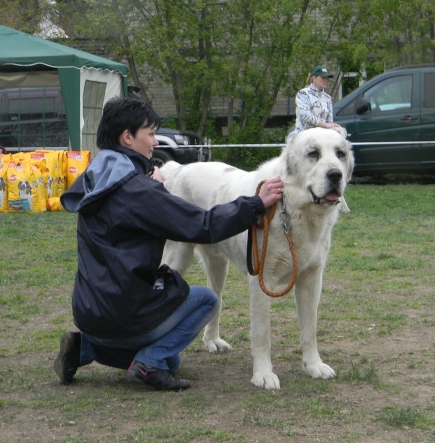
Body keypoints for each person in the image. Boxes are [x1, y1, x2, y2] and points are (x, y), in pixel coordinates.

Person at [54, 97, 284, 391]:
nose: (154, 141)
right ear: (128, 136)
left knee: (172, 361)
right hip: (122, 313)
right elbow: (202, 225)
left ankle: (84, 347)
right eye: (149, 133)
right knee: (205, 300)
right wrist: (254, 204)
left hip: (88, 311)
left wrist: (149, 184)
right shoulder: (140, 191)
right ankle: (147, 361)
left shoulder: (95, 177)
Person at [288, 65, 342, 141]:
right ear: (314, 78)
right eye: (323, 78)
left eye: (327, 78)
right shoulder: (303, 94)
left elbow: (330, 120)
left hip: (322, 136)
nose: (326, 80)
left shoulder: (328, 98)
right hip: (304, 136)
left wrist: (333, 127)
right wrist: (325, 125)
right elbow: (306, 115)